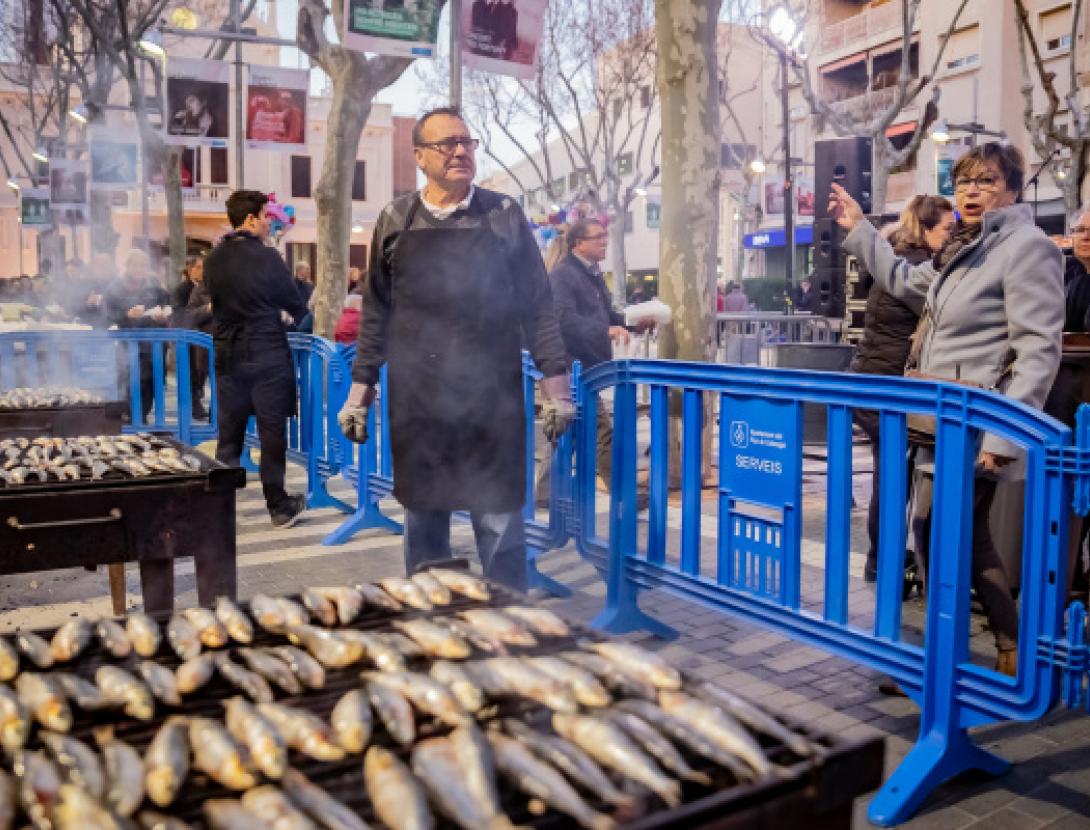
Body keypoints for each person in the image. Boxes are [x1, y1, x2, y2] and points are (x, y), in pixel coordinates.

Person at [829, 142, 1064, 676]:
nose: (972, 191)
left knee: (939, 532)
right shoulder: (965, 248)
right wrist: (861, 226)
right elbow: (901, 279)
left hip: (979, 426)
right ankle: (1003, 646)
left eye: (985, 181)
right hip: (940, 422)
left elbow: (1037, 349)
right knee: (954, 533)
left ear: (1012, 188)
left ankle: (948, 664)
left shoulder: (1026, 247)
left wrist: (1007, 441)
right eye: (963, 183)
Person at [338, 106, 572, 592]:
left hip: (493, 400)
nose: (461, 152)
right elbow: (375, 312)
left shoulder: (504, 215)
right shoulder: (395, 219)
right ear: (420, 156)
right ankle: (430, 625)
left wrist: (557, 391)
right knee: (424, 523)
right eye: (447, 144)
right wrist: (358, 394)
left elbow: (538, 309)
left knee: (500, 525)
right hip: (420, 402)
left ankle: (505, 626)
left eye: (467, 142)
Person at [850, 195, 955, 583]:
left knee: (890, 475)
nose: (953, 235)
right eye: (948, 228)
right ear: (927, 229)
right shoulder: (915, 270)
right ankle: (885, 560)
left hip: (872, 381)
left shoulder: (895, 257)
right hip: (890, 387)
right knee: (894, 479)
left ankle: (884, 558)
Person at [203, 189, 309, 528]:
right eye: (267, 217)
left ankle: (218, 510)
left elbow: (218, 304)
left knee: (229, 433)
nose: (270, 223)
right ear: (251, 219)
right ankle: (278, 506)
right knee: (271, 433)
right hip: (265, 353)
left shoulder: (213, 258)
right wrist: (280, 312)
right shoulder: (268, 257)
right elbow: (295, 304)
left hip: (227, 354)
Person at [545, 217, 653, 503]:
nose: (605, 241)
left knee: (572, 433)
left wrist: (631, 325)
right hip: (569, 368)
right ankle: (623, 494)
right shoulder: (563, 276)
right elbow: (563, 319)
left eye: (605, 235)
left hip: (586, 369)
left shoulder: (592, 275)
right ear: (578, 243)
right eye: (598, 237)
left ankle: (546, 492)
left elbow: (606, 316)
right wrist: (605, 330)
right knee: (598, 431)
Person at [1044, 207, 1090, 598]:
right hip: (1068, 394)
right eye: (1080, 229)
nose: (1085, 236)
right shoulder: (1066, 272)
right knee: (1069, 493)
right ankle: (1070, 577)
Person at [104, 249, 171, 422]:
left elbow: (168, 310)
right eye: (135, 265)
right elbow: (106, 314)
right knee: (128, 381)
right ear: (127, 266)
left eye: (143, 265)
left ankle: (142, 416)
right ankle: (130, 417)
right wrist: (127, 315)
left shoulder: (156, 287)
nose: (139, 269)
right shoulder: (115, 287)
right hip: (127, 344)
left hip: (153, 344)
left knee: (150, 383)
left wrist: (163, 317)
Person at [177, 255, 211, 420]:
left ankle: (216, 413)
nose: (202, 270)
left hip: (222, 341)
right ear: (190, 269)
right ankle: (195, 408)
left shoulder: (228, 287)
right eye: (199, 267)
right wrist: (208, 309)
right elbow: (186, 314)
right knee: (195, 377)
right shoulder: (190, 289)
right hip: (196, 339)